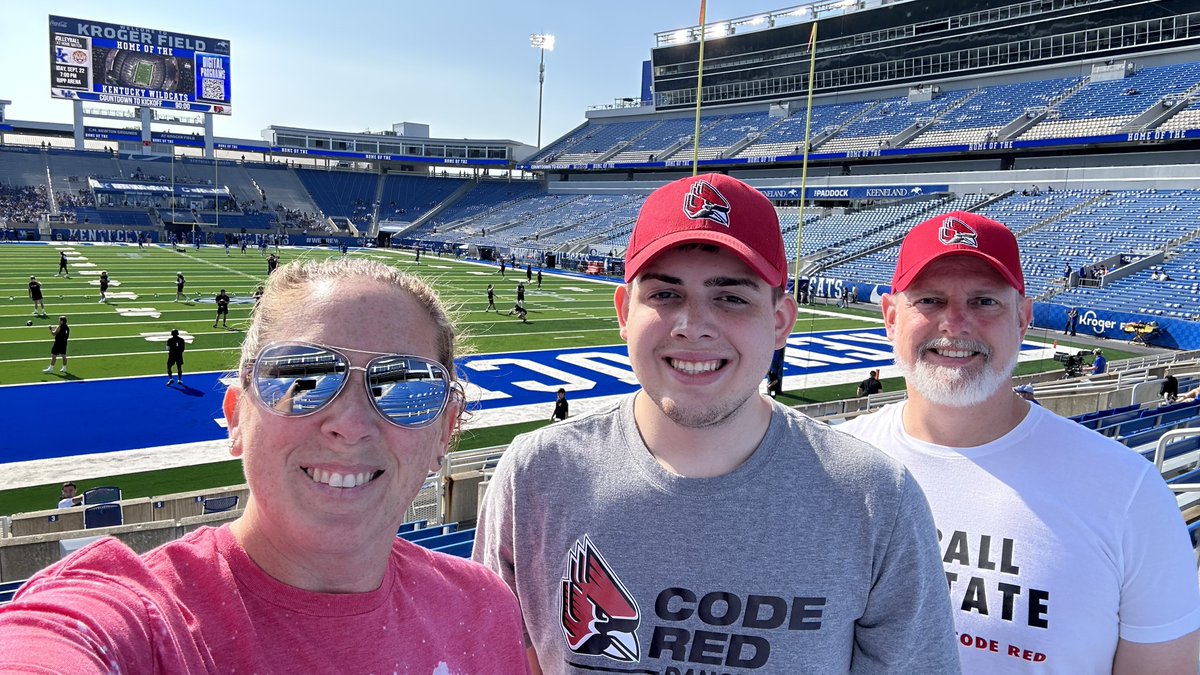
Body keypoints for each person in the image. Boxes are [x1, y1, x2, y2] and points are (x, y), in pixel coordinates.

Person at [474, 174, 958, 673]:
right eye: (665, 294)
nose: (693, 324)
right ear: (624, 311)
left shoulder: (876, 499)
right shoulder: (535, 476)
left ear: (780, 321)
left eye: (731, 298)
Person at [0, 258, 530, 673]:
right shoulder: (142, 619)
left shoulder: (487, 608)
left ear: (446, 430)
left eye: (403, 386)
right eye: (301, 376)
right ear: (236, 418)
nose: (350, 422)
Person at [839, 211, 1200, 672]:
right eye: (929, 300)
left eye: (985, 302)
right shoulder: (832, 466)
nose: (955, 322)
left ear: (1023, 319)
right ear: (891, 318)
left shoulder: (1129, 492)